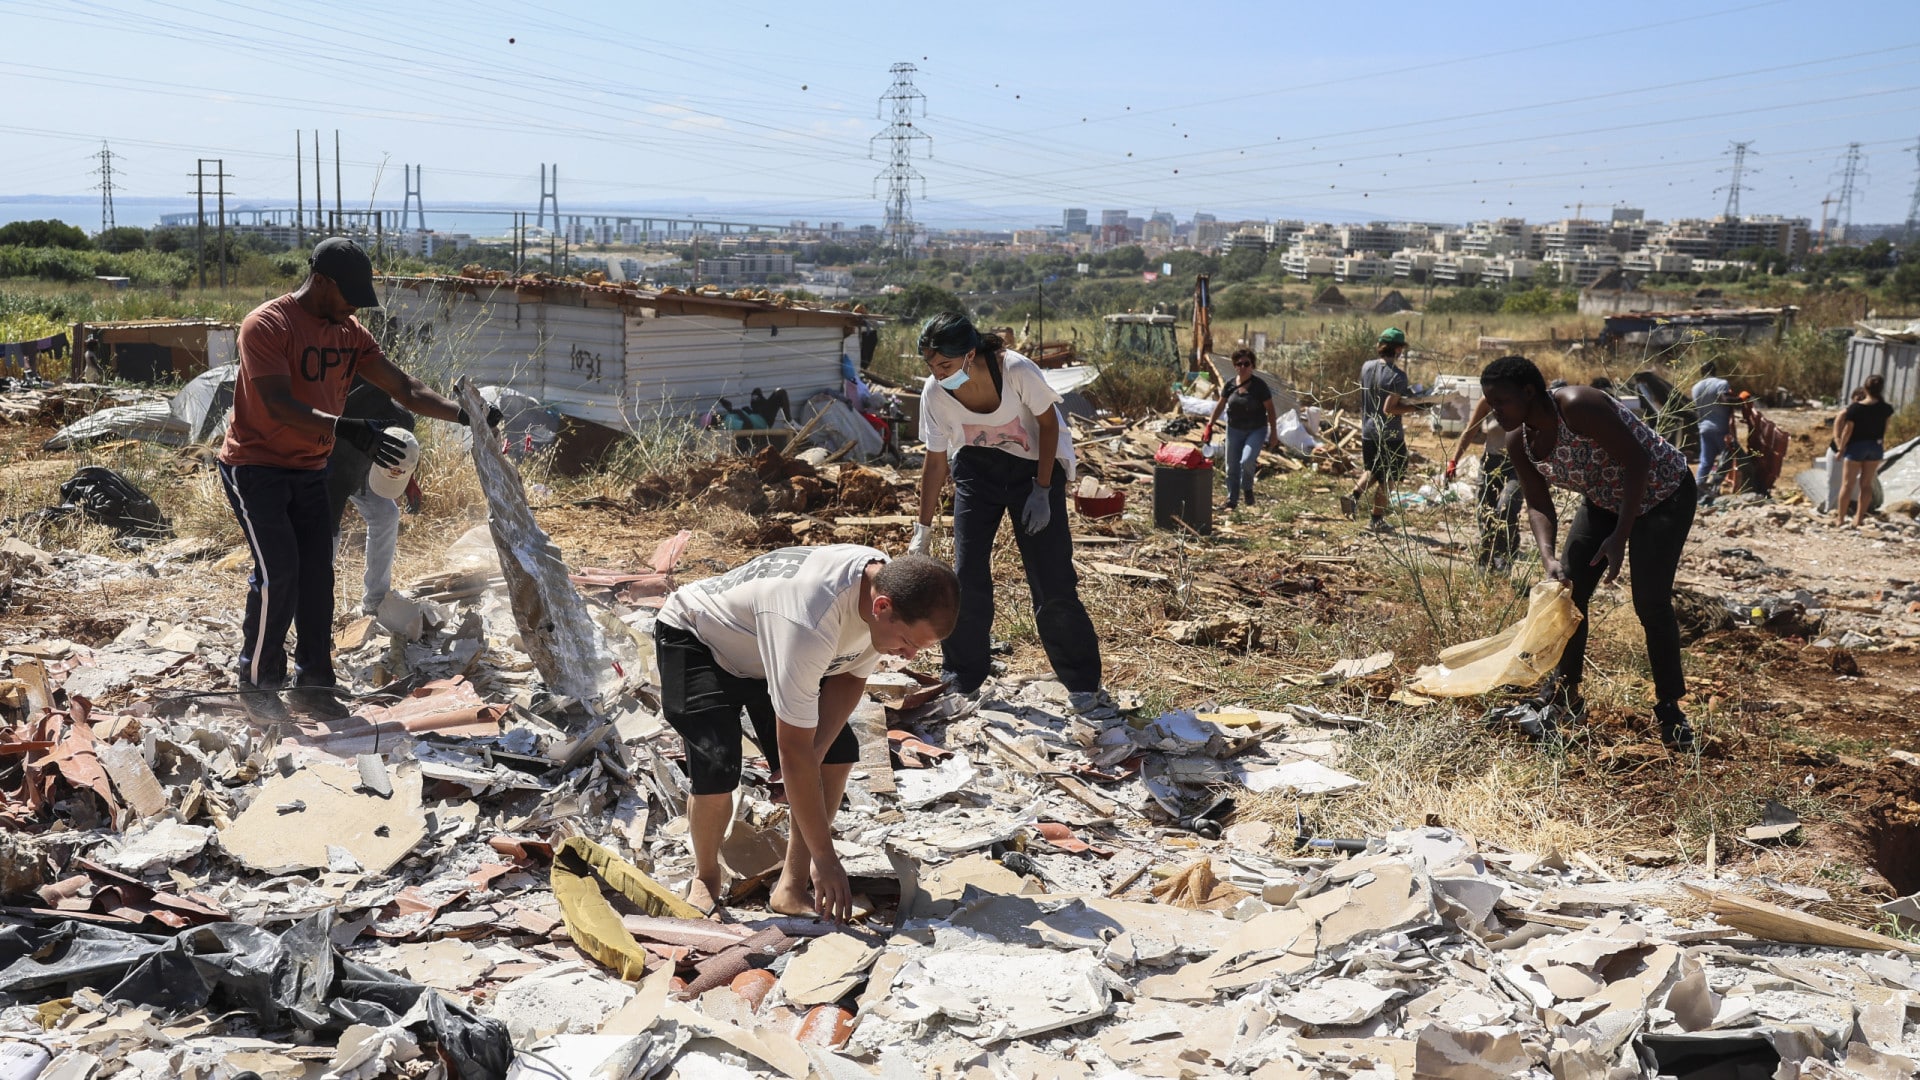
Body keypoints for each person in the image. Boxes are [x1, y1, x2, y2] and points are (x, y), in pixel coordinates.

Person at [218, 237, 497, 710]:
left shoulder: (349, 332)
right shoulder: (267, 324)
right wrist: (350, 428)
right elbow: (276, 405)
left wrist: (467, 415)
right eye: (347, 296)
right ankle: (259, 680)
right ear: (321, 281)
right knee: (279, 571)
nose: (353, 308)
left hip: (309, 467)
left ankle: (314, 684)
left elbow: (407, 389)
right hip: (255, 465)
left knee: (317, 578)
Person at [654, 546, 958, 919]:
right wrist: (826, 857)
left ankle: (790, 887)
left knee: (836, 753)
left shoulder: (886, 584)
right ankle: (706, 878)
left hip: (765, 655)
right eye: (909, 643)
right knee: (717, 767)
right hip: (699, 638)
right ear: (882, 607)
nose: (908, 658)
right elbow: (794, 753)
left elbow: (849, 676)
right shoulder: (809, 620)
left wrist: (817, 753)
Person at [1483, 355, 1697, 751]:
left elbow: (1638, 461)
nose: (1494, 412)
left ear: (1529, 391)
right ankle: (1567, 692)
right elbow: (1537, 503)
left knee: (1650, 603)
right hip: (1604, 501)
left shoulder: (1579, 405)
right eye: (1490, 404)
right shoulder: (1519, 440)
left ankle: (1670, 708)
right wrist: (1549, 559)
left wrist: (1621, 535)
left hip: (1664, 493)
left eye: (1502, 402)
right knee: (1568, 588)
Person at [908, 313, 1105, 710]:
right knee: (967, 575)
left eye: (944, 365)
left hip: (1035, 468)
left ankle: (1083, 685)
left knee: (1051, 580)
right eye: (931, 366)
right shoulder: (935, 392)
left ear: (969, 354)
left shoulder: (1015, 369)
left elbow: (1049, 426)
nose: (938, 374)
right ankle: (962, 675)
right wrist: (923, 529)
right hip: (976, 471)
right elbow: (935, 461)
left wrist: (1043, 489)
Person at [326, 377, 416, 617]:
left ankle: (375, 602)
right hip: (331, 465)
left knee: (386, 514)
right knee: (327, 534)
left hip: (365, 468)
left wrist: (409, 481)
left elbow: (402, 457)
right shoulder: (345, 412)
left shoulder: (403, 422)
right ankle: (316, 605)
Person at [1342, 327, 1420, 532]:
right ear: (1398, 349)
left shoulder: (1367, 367)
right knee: (1389, 478)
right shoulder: (1398, 376)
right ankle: (1376, 520)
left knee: (1374, 470)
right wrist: (1417, 406)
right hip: (1390, 434)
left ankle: (1353, 497)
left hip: (1368, 431)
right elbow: (1390, 409)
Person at [1447, 390, 1521, 571]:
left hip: (1519, 465)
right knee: (1486, 512)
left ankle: (1504, 560)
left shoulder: (1524, 401)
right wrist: (1454, 461)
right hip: (1491, 462)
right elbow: (1470, 431)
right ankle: (1486, 560)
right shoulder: (1488, 401)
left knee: (1506, 507)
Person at [1202, 347, 1281, 510]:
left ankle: (1247, 488)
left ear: (1252, 366)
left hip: (1256, 429)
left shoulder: (1260, 386)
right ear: (1235, 366)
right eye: (1239, 364)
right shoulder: (1230, 385)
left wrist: (1274, 433)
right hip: (1234, 429)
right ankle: (1232, 500)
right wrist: (1209, 425)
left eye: (1246, 364)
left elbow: (1271, 410)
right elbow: (1220, 405)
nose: (1243, 367)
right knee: (1231, 466)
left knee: (1247, 460)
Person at [1832, 374, 1895, 528]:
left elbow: (1848, 430)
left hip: (1856, 447)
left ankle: (1840, 519)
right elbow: (1885, 429)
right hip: (1875, 447)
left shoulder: (1856, 408)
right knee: (1866, 484)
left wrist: (1841, 449)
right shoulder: (1886, 408)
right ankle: (1858, 519)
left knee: (1847, 484)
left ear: (1865, 388)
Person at [1689, 361, 1735, 490]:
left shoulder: (1695, 387)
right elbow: (1725, 400)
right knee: (1727, 458)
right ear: (1715, 370)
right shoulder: (1721, 384)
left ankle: (1698, 488)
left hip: (1704, 428)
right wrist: (1741, 399)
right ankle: (1715, 486)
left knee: (1705, 461)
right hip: (1720, 428)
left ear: (1702, 372)